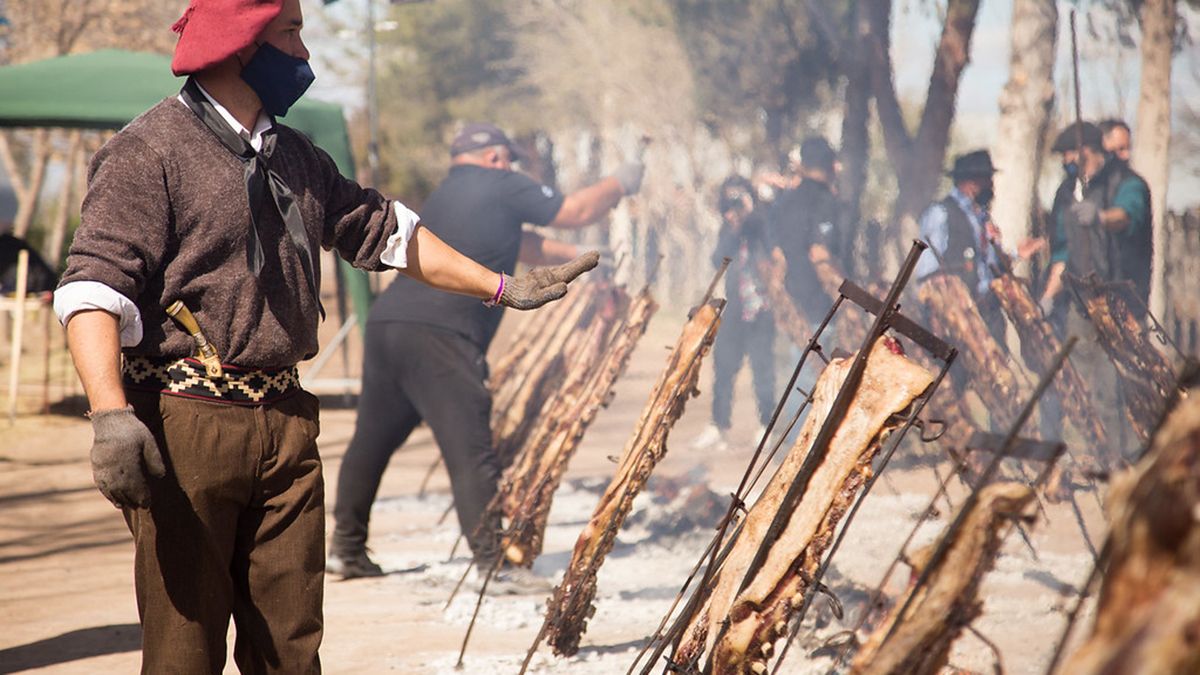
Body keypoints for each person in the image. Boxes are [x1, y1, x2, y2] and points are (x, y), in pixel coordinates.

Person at [53, 1, 595, 672]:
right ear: (242, 44)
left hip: (285, 421)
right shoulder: (149, 150)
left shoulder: (297, 157)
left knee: (291, 647)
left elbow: (385, 230)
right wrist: (110, 416)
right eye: (292, 33)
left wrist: (503, 286)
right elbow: (91, 290)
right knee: (184, 653)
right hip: (187, 426)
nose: (304, 55)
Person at [329, 122, 643, 584]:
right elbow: (574, 210)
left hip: (390, 324)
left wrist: (582, 254)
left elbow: (525, 244)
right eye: (508, 159)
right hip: (443, 334)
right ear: (496, 158)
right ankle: (493, 566)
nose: (511, 166)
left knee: (371, 442)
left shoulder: (445, 195)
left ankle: (346, 549)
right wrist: (622, 181)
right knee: (471, 447)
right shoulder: (504, 182)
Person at [914, 149, 1043, 344]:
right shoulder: (941, 213)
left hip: (988, 315)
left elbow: (989, 267)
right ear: (972, 182)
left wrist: (1015, 254)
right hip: (958, 317)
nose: (991, 185)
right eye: (987, 179)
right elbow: (928, 272)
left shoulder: (982, 218)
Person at [691, 176, 776, 452]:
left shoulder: (764, 223)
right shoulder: (728, 229)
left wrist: (753, 216)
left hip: (762, 309)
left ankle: (766, 427)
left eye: (740, 199)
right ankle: (718, 426)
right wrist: (733, 226)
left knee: (763, 371)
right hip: (735, 309)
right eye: (730, 201)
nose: (735, 206)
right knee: (724, 368)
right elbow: (718, 260)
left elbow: (772, 249)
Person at [768, 136, 843, 326]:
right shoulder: (824, 200)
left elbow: (776, 252)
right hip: (822, 309)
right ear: (829, 164)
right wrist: (847, 308)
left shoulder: (785, 201)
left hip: (795, 307)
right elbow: (820, 254)